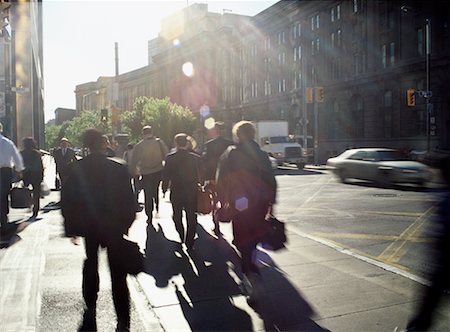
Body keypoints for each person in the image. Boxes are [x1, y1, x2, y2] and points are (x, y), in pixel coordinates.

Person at [61, 128, 136, 332]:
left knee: (91, 262)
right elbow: (130, 201)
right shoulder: (118, 168)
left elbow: (68, 200)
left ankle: (91, 303)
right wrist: (125, 225)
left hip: (89, 225)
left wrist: (71, 228)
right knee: (118, 273)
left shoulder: (77, 168)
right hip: (113, 226)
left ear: (86, 146)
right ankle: (122, 320)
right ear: (103, 144)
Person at [216, 121, 277, 303]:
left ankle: (252, 277)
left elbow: (222, 178)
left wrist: (223, 200)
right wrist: (271, 204)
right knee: (252, 238)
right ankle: (252, 273)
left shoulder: (231, 153)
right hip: (259, 203)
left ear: (238, 134)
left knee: (242, 241)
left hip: (239, 202)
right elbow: (271, 181)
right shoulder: (262, 154)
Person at [406, 156, 450, 331]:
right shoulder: (442, 196)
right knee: (430, 300)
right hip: (443, 258)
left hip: (442, 258)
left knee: (430, 301)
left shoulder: (440, 195)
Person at [162, 133, 203, 251]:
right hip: (191, 190)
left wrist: (164, 188)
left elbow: (166, 175)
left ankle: (181, 233)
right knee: (191, 216)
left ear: (176, 143)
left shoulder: (170, 158)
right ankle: (189, 240)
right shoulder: (194, 158)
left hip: (176, 190)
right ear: (187, 143)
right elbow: (200, 174)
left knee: (177, 215)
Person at [130, 125, 168, 223]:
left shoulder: (139, 145)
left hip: (145, 172)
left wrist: (134, 172)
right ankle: (156, 203)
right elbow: (166, 156)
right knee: (155, 189)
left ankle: (149, 214)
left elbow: (134, 160)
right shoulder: (159, 143)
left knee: (147, 193)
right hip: (158, 171)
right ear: (152, 132)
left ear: (143, 133)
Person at [202, 121, 233, 235]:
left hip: (214, 177)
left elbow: (207, 162)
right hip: (229, 178)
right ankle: (231, 222)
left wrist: (208, 178)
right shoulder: (230, 144)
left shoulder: (209, 144)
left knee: (215, 201)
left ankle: (216, 225)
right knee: (230, 200)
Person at [0, 122, 25, 237]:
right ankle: (4, 222)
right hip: (5, 172)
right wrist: (19, 171)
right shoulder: (8, 143)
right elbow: (17, 158)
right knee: (3, 196)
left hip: (5, 171)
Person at [20, 137, 44, 220]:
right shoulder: (37, 153)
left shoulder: (22, 153)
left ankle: (28, 204)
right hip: (36, 175)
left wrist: (20, 175)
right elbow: (40, 166)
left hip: (26, 175)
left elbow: (20, 165)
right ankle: (35, 209)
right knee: (36, 193)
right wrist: (41, 176)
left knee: (26, 191)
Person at [123, 143, 141, 211]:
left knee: (129, 185)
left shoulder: (126, 153)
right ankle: (136, 199)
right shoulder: (136, 153)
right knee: (136, 185)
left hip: (128, 171)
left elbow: (124, 161)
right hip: (136, 171)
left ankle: (131, 199)